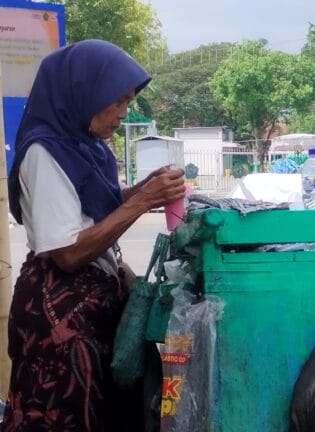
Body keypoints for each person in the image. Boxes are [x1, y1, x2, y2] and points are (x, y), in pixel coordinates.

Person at [3, 40, 185, 431]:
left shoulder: (87, 147)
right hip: (60, 317)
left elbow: (89, 207)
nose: (124, 113)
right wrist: (141, 203)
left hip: (94, 302)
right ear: (84, 95)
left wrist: (142, 190)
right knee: (67, 415)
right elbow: (67, 251)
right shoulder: (45, 153)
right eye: (117, 102)